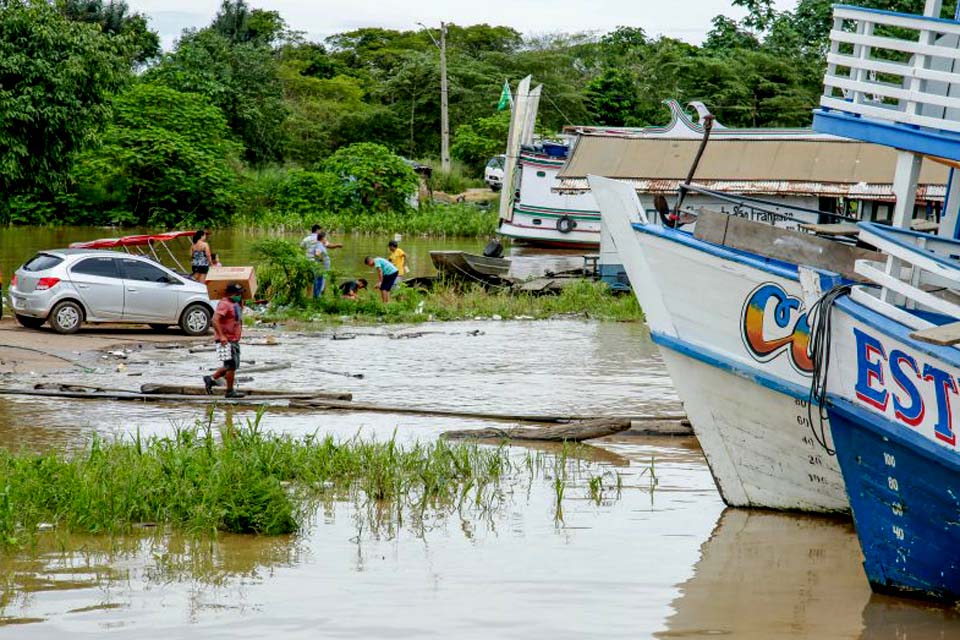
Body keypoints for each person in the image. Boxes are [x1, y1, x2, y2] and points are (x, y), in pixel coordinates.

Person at [204, 283, 245, 398]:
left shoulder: (235, 303)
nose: (239, 296)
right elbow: (215, 320)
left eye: (240, 294)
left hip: (233, 339)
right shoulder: (224, 304)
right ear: (230, 294)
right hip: (226, 340)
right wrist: (221, 336)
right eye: (237, 294)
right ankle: (229, 391)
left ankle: (211, 379)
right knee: (230, 366)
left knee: (232, 365)